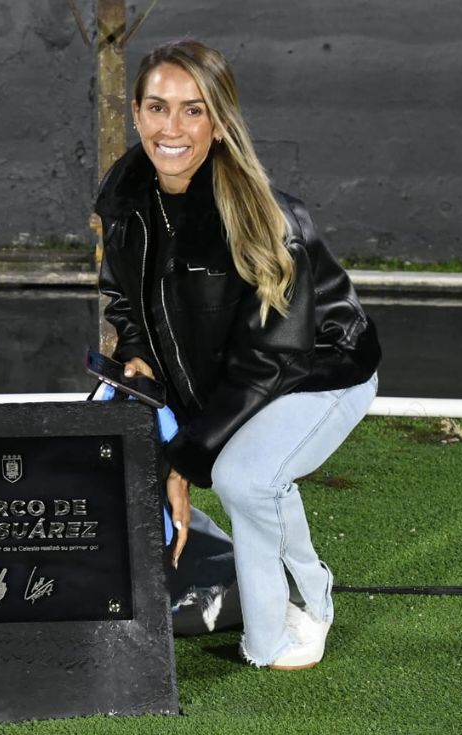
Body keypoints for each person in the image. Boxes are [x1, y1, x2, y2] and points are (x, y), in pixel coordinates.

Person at [94, 40, 381, 670]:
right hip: (237, 374)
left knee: (245, 476)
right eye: (157, 107)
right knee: (212, 468)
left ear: (218, 122)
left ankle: (310, 600)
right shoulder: (127, 196)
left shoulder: (261, 217)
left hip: (318, 368)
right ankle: (260, 585)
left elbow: (271, 359)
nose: (172, 128)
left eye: (192, 111)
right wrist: (140, 358)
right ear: (137, 114)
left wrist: (186, 457)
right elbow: (122, 293)